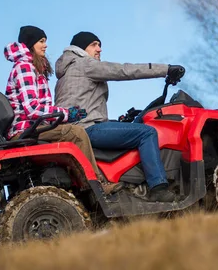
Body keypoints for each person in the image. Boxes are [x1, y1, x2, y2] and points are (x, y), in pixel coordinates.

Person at [55, 31, 185, 202]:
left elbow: (85, 106)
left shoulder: (66, 73)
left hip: (79, 128)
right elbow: (124, 70)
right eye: (94, 44)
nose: (99, 49)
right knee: (147, 133)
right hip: (88, 129)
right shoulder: (84, 64)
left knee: (138, 123)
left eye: (100, 45)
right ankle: (158, 187)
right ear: (80, 48)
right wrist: (165, 70)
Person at [4, 25, 122, 195]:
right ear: (30, 44)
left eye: (45, 41)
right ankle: (97, 185)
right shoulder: (25, 68)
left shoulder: (34, 68)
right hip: (25, 128)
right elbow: (32, 108)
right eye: (41, 41)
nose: (45, 45)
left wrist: (66, 115)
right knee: (77, 134)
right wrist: (65, 115)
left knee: (71, 130)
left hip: (32, 126)